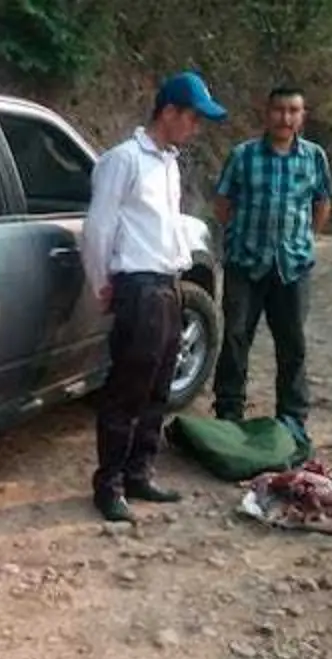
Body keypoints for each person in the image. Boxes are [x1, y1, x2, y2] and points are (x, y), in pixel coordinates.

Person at [82, 71, 228, 523]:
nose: (196, 127)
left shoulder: (168, 160)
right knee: (127, 390)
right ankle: (108, 484)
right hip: (138, 287)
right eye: (193, 118)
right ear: (168, 112)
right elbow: (98, 228)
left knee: (159, 389)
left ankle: (139, 472)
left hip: (168, 285)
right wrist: (100, 283)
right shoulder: (122, 161)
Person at [211, 86, 332, 443]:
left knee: (292, 344)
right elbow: (223, 202)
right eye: (279, 110)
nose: (285, 117)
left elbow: (322, 203)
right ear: (266, 113)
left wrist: (304, 240)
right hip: (245, 263)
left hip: (292, 266)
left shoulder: (314, 157)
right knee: (236, 339)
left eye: (293, 111)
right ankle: (228, 412)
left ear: (302, 116)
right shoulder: (243, 155)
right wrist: (240, 236)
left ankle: (292, 419)